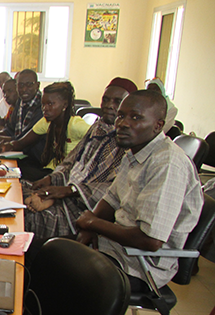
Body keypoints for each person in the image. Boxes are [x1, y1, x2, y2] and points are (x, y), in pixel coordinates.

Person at [75, 90, 203, 289]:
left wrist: (92, 223)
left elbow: (150, 240)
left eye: (136, 117)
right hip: (114, 247)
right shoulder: (134, 153)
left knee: (62, 272)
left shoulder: (167, 164)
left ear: (157, 126)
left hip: (140, 265)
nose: (123, 123)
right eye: (121, 115)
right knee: (39, 251)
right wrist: (88, 227)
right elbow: (112, 199)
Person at [23, 77, 138, 239]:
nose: (108, 105)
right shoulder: (98, 128)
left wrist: (67, 191)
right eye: (105, 99)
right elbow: (71, 161)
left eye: (117, 101)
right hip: (66, 192)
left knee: (24, 215)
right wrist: (51, 179)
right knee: (17, 190)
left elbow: (114, 191)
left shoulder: (129, 141)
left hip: (83, 208)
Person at [0, 82, 90, 180]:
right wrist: (7, 146)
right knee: (14, 169)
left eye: (50, 104)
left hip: (67, 175)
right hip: (52, 170)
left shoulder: (76, 125)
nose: (45, 109)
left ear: (64, 105)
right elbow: (22, 142)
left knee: (19, 173)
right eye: (43, 104)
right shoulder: (47, 121)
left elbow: (98, 140)